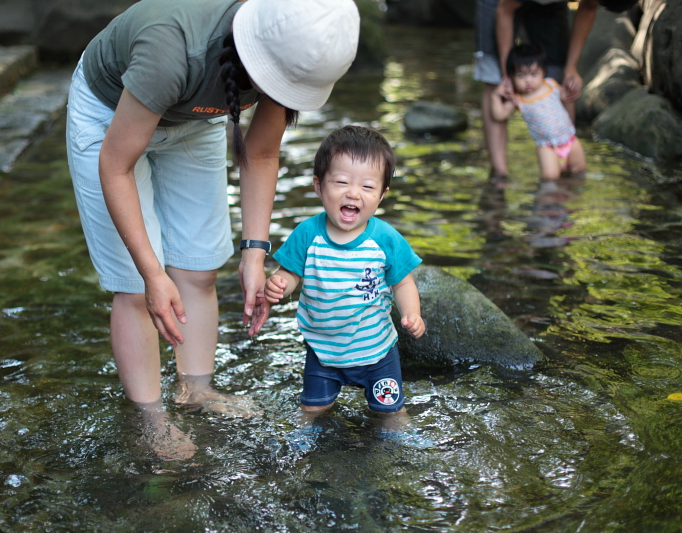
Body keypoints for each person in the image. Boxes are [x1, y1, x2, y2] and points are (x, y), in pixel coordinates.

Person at [65, 0, 360, 460]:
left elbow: (260, 153)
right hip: (110, 116)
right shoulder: (172, 49)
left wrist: (254, 255)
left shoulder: (297, 43)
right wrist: (152, 275)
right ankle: (151, 420)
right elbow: (116, 166)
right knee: (134, 287)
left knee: (200, 269)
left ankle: (197, 391)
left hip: (195, 118)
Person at [255, 125, 428, 448]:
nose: (353, 193)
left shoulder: (385, 239)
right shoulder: (308, 234)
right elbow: (291, 272)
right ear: (319, 186)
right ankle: (300, 441)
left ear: (381, 194)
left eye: (367, 186)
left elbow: (403, 282)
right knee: (313, 408)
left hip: (376, 350)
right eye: (341, 182)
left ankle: (405, 443)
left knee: (390, 411)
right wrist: (280, 284)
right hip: (323, 351)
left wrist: (412, 314)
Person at [474, 0, 636, 179]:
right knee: (495, 78)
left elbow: (588, 8)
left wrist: (571, 67)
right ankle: (499, 176)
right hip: (501, 4)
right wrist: (508, 74)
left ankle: (565, 165)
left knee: (559, 73)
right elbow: (504, 11)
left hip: (550, 5)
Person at [490, 43, 586, 179]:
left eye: (534, 74)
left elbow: (566, 99)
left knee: (579, 171)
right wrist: (495, 96)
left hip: (569, 139)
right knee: (550, 178)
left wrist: (570, 89)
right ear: (512, 77)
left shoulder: (551, 85)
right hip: (546, 147)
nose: (528, 81)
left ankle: (568, 195)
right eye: (521, 76)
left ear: (543, 72)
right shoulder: (518, 99)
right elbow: (499, 115)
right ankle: (549, 198)